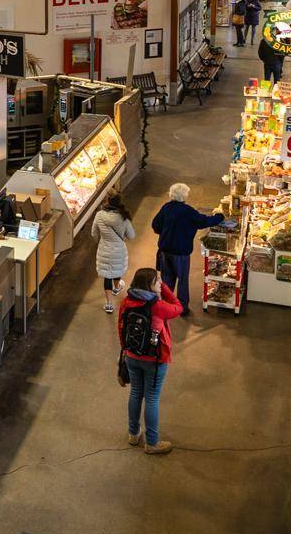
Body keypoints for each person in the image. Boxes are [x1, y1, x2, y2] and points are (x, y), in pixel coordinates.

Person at [116, 266, 183, 454]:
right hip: (154, 359)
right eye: (157, 282)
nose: (160, 284)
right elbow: (178, 307)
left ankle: (133, 433)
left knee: (136, 393)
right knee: (152, 398)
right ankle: (152, 443)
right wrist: (167, 289)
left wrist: (125, 351)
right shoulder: (158, 306)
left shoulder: (126, 302)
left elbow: (121, 328)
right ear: (149, 285)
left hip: (132, 356)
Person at [150, 183, 227, 313]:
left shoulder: (166, 208)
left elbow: (155, 225)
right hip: (181, 253)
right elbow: (204, 222)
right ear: (184, 196)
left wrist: (165, 233)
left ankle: (166, 305)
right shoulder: (188, 212)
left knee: (167, 278)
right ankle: (182, 307)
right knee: (182, 279)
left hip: (165, 250)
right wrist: (219, 216)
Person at [93, 194, 138, 312]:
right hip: (118, 249)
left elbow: (94, 233)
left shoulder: (99, 215)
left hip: (104, 248)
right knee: (116, 268)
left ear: (107, 201)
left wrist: (101, 241)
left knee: (107, 275)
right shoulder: (123, 217)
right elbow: (132, 236)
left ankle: (109, 304)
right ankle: (117, 287)